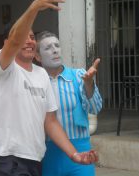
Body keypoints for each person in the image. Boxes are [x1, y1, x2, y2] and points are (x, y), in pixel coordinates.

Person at [0, 0, 98, 176]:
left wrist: (74, 154)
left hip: (34, 156)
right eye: (22, 37)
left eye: (31, 37)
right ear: (7, 44)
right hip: (6, 155)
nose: (28, 41)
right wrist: (33, 8)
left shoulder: (41, 74)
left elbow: (50, 121)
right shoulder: (1, 66)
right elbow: (13, 41)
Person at [35, 31, 102, 176]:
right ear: (38, 56)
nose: (55, 50)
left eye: (57, 45)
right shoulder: (35, 81)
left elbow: (95, 108)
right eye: (48, 48)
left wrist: (89, 85)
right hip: (48, 152)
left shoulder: (79, 76)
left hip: (80, 149)